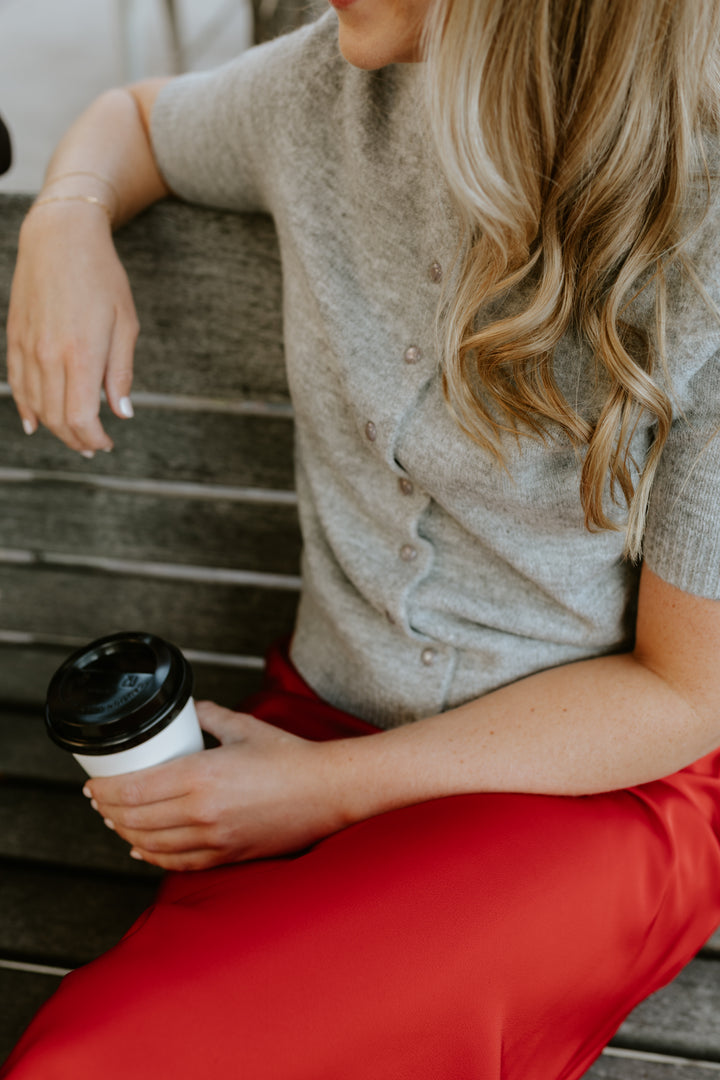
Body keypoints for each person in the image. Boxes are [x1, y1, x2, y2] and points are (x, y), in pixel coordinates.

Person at [3, 1, 720, 1077]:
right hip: (302, 738)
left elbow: (684, 691)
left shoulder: (704, 229)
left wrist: (320, 792)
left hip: (586, 796)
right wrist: (65, 217)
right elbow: (139, 120)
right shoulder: (325, 89)